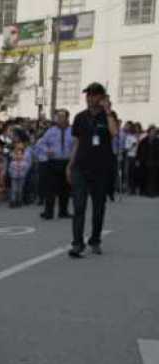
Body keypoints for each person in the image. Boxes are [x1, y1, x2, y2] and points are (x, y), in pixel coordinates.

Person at [65, 83, 119, 258]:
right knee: (79, 206)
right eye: (88, 95)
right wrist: (70, 164)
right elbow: (77, 142)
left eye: (94, 95)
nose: (89, 98)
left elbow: (114, 133)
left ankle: (95, 240)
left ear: (101, 97)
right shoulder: (80, 117)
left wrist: (109, 111)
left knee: (98, 208)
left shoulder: (108, 116)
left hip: (101, 169)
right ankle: (77, 244)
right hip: (81, 167)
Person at [36, 109, 73, 219]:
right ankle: (49, 212)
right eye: (58, 117)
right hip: (53, 161)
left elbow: (77, 144)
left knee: (65, 188)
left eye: (62, 116)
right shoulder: (51, 131)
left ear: (67, 118)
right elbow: (40, 143)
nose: (60, 119)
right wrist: (46, 150)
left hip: (67, 161)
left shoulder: (72, 131)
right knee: (50, 188)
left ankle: (63, 211)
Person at [137, 125, 159, 197]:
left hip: (155, 162)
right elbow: (139, 151)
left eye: (154, 132)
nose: (153, 133)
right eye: (151, 132)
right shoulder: (143, 141)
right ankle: (144, 191)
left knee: (154, 178)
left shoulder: (157, 141)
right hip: (144, 161)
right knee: (144, 177)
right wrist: (138, 160)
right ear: (148, 132)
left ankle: (153, 192)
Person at [8, 142, 31, 207]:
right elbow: (10, 169)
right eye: (17, 155)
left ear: (22, 156)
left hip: (21, 177)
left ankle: (19, 201)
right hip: (14, 177)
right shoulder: (13, 163)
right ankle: (13, 201)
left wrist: (23, 174)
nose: (19, 156)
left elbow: (26, 170)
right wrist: (12, 174)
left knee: (20, 190)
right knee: (14, 189)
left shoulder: (24, 163)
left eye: (20, 155)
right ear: (15, 156)